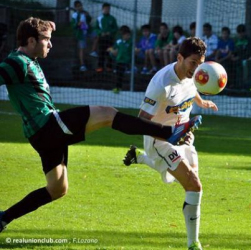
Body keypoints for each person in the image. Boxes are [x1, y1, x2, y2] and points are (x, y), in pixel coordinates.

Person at [0, 17, 201, 233]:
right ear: (31, 41)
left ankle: (3, 219)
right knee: (107, 114)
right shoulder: (17, 62)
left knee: (57, 189)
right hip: (47, 125)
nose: (50, 44)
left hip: (43, 134)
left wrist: (44, 25)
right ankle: (168, 132)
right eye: (47, 39)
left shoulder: (29, 61)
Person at [122, 37, 217, 250]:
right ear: (179, 58)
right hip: (160, 140)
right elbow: (140, 122)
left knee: (189, 182)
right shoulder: (161, 85)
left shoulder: (194, 75)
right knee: (194, 185)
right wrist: (171, 135)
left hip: (182, 135)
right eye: (192, 62)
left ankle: (139, 158)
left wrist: (202, 102)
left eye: (200, 63)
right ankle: (193, 244)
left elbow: (191, 91)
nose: (196, 68)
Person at [107, 25, 133, 94]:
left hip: (126, 61)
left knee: (120, 74)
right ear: (123, 35)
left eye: (129, 35)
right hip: (119, 60)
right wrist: (113, 51)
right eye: (127, 35)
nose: (128, 36)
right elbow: (114, 49)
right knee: (118, 74)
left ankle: (119, 87)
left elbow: (132, 51)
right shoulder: (119, 41)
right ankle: (117, 87)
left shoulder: (130, 42)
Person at [95, 3, 118, 72]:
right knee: (101, 52)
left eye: (108, 9)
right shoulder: (99, 18)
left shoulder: (112, 18)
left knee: (110, 53)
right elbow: (96, 28)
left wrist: (110, 32)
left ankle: (109, 67)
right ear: (102, 9)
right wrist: (100, 33)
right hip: (102, 39)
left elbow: (115, 28)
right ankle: (100, 67)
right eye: (105, 9)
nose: (107, 10)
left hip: (110, 39)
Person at [71, 0, 92, 72]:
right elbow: (73, 25)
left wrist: (88, 16)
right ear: (75, 7)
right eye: (78, 6)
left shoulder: (84, 13)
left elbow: (89, 20)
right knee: (81, 49)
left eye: (81, 6)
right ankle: (82, 64)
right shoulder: (75, 15)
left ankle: (92, 53)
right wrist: (78, 24)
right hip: (80, 34)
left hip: (86, 31)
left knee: (95, 36)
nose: (80, 7)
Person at [231, 24, 251, 89]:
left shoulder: (249, 41)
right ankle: (233, 84)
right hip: (235, 59)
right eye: (239, 33)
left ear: (244, 32)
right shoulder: (235, 40)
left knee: (244, 63)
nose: (240, 34)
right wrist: (232, 56)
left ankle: (245, 84)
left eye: (242, 32)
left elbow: (249, 52)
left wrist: (239, 57)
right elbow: (233, 50)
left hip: (245, 59)